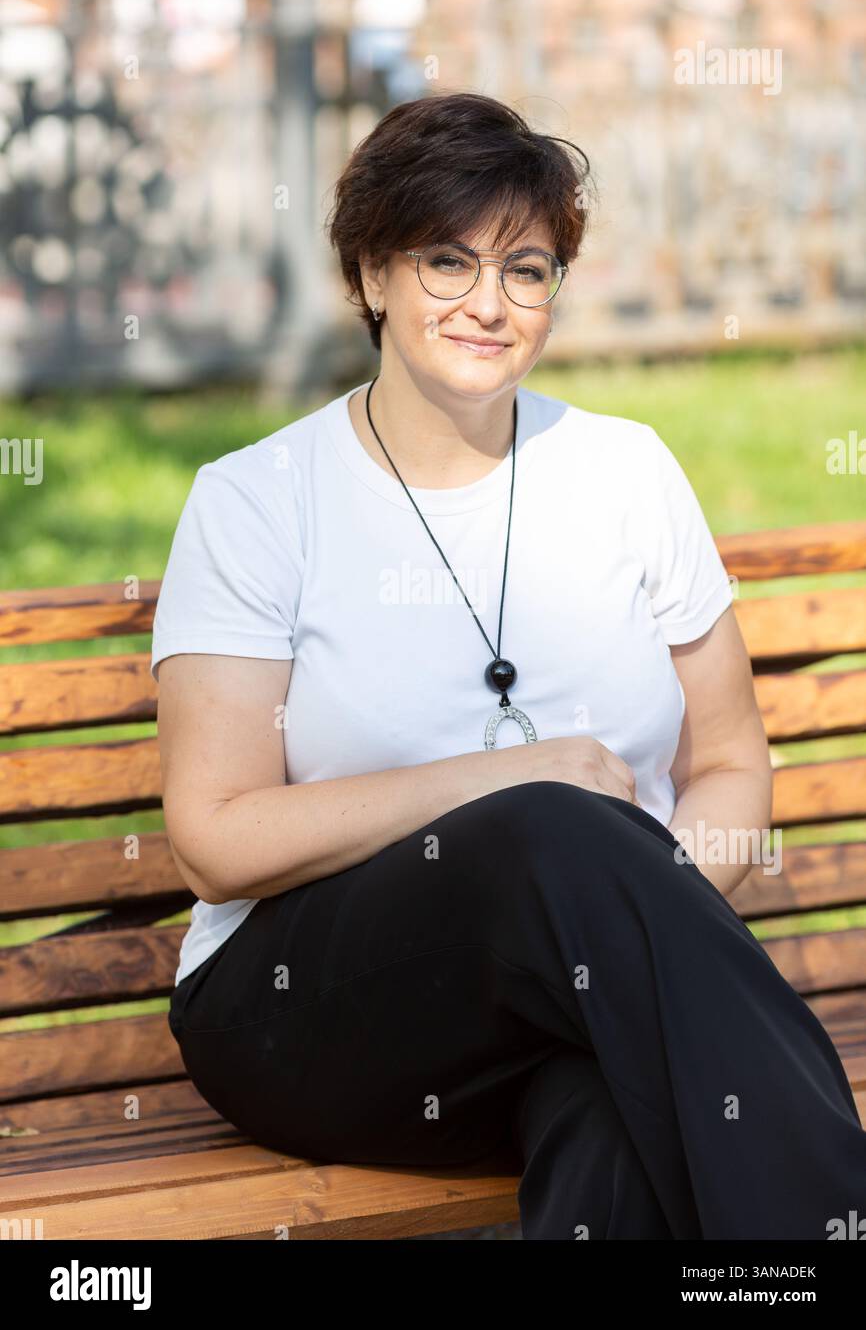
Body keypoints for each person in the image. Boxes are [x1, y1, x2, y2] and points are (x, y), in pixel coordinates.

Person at [152, 91, 866, 1240]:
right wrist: (505, 781)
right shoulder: (257, 502)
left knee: (606, 1114)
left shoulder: (624, 471)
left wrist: (624, 923)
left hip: (557, 1017)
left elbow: (730, 761)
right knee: (546, 823)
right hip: (307, 1019)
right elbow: (214, 837)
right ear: (372, 275)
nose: (489, 304)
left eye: (526, 270)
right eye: (447, 261)